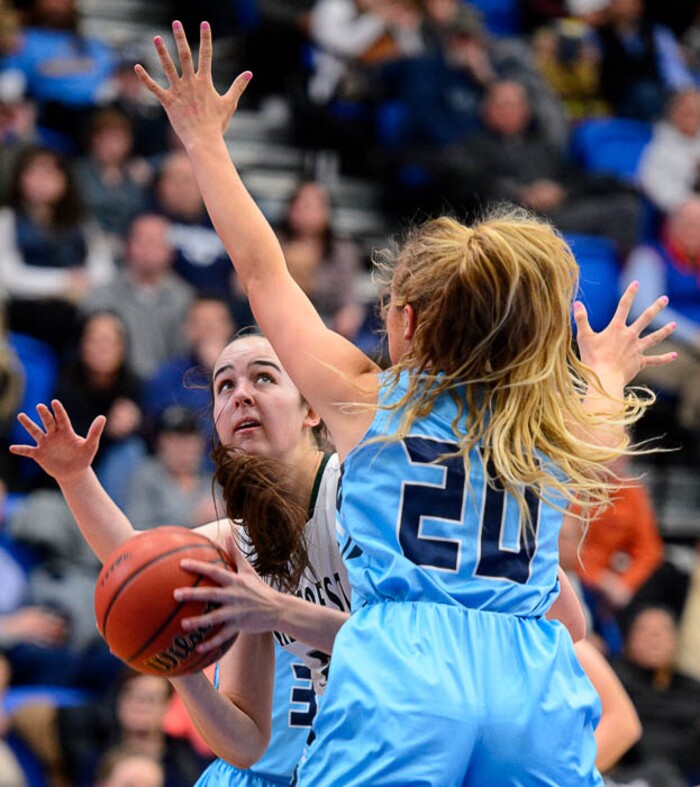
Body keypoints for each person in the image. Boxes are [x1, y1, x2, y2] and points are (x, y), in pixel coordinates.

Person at [124, 21, 676, 785]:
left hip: (409, 669)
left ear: (408, 322)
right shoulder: (548, 421)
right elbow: (604, 415)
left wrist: (206, 143)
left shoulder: (368, 399)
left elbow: (262, 271)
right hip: (528, 673)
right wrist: (609, 365)